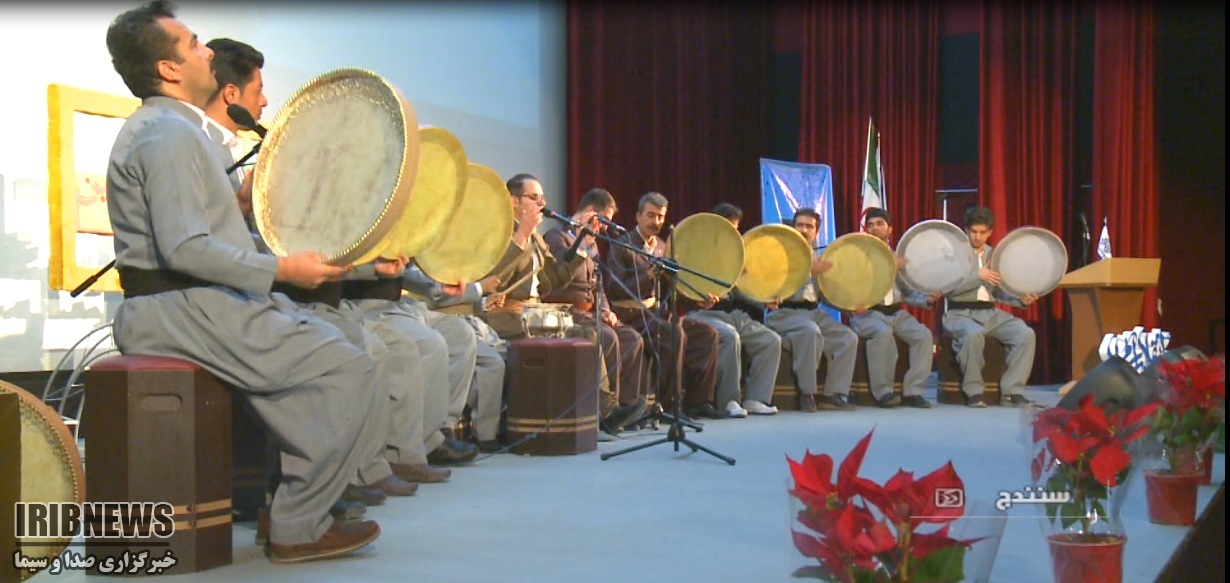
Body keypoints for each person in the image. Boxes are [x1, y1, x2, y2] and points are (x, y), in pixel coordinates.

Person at [104, 1, 377, 562]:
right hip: (181, 308)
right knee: (348, 364)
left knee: (342, 344)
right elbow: (184, 248)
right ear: (169, 69)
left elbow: (191, 234)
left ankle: (287, 508)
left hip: (191, 302)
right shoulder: (168, 135)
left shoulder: (172, 129)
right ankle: (300, 524)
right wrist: (283, 270)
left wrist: (250, 219)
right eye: (193, 43)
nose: (207, 51)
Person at [201, 38, 471, 481]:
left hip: (294, 292)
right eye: (258, 90)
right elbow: (224, 241)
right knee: (364, 348)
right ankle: (340, 474)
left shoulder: (232, 151)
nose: (265, 101)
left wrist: (400, 273)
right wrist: (249, 214)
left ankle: (386, 459)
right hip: (259, 296)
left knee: (422, 340)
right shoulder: (202, 146)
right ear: (232, 94)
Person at [605, 192, 722, 420]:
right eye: (650, 215)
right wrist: (652, 270)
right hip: (631, 315)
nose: (656, 222)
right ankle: (669, 407)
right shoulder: (622, 245)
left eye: (660, 217)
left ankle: (699, 402)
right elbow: (616, 287)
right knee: (673, 335)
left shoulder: (661, 246)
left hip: (657, 313)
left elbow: (670, 289)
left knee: (707, 334)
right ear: (638, 216)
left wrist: (697, 300)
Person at [542, 188, 649, 434]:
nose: (604, 229)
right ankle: (605, 414)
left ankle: (626, 408)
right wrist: (581, 238)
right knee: (607, 337)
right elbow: (560, 274)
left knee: (632, 338)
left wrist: (605, 310)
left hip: (591, 312)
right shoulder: (556, 237)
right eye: (604, 221)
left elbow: (598, 287)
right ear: (591, 213)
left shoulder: (593, 245)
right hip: (565, 310)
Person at [682, 203, 782, 418]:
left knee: (770, 340)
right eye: (729, 228)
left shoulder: (734, 254)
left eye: (736, 229)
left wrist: (764, 301)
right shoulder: (695, 250)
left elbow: (739, 290)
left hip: (732, 314)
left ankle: (757, 398)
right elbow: (681, 286)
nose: (733, 234)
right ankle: (729, 401)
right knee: (730, 337)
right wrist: (698, 298)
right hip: (702, 314)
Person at [942, 206, 1038, 408]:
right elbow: (948, 290)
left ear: (990, 232)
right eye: (974, 232)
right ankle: (974, 392)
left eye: (983, 232)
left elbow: (1000, 292)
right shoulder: (954, 255)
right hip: (959, 313)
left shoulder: (995, 256)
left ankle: (1012, 391)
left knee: (1025, 334)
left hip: (989, 313)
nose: (978, 237)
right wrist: (977, 277)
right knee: (973, 335)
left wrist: (1020, 300)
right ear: (966, 230)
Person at [765, 208, 859, 412]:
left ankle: (833, 395)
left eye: (809, 226)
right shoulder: (780, 254)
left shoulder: (817, 257)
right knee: (810, 331)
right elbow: (775, 284)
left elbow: (823, 295)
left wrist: (848, 308)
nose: (804, 230)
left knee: (848, 338)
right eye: (800, 225)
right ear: (793, 227)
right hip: (785, 313)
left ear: (816, 232)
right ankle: (807, 393)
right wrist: (808, 270)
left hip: (814, 313)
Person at [849, 208, 937, 409]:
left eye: (879, 224)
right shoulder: (857, 257)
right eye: (870, 225)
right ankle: (884, 393)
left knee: (923, 336)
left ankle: (913, 392)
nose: (874, 228)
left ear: (890, 229)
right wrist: (891, 265)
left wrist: (927, 300)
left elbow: (906, 293)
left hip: (896, 313)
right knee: (882, 333)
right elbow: (849, 287)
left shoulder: (897, 257)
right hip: (869, 314)